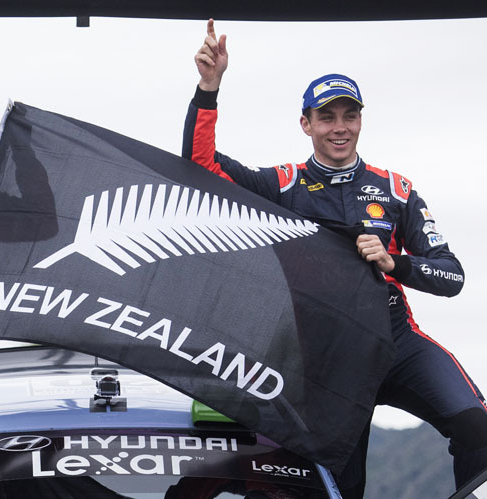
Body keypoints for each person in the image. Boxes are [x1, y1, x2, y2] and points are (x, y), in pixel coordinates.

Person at [182, 18, 487, 497]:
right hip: (324, 355)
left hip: (395, 342)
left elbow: (452, 277)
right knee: (340, 487)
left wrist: (395, 264)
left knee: (477, 426)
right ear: (306, 124)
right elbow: (202, 166)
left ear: (361, 120)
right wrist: (208, 88)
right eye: (327, 116)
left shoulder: (397, 190)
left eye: (349, 115)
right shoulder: (281, 184)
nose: (339, 127)